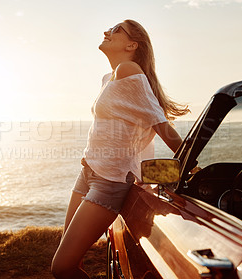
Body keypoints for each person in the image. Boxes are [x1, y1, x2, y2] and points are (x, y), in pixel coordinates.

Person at [51, 19, 189, 279]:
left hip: (108, 182)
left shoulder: (128, 69)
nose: (107, 31)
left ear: (132, 44)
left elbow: (160, 123)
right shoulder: (109, 77)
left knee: (62, 267)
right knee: (67, 260)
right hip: (88, 172)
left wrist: (190, 165)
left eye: (116, 30)